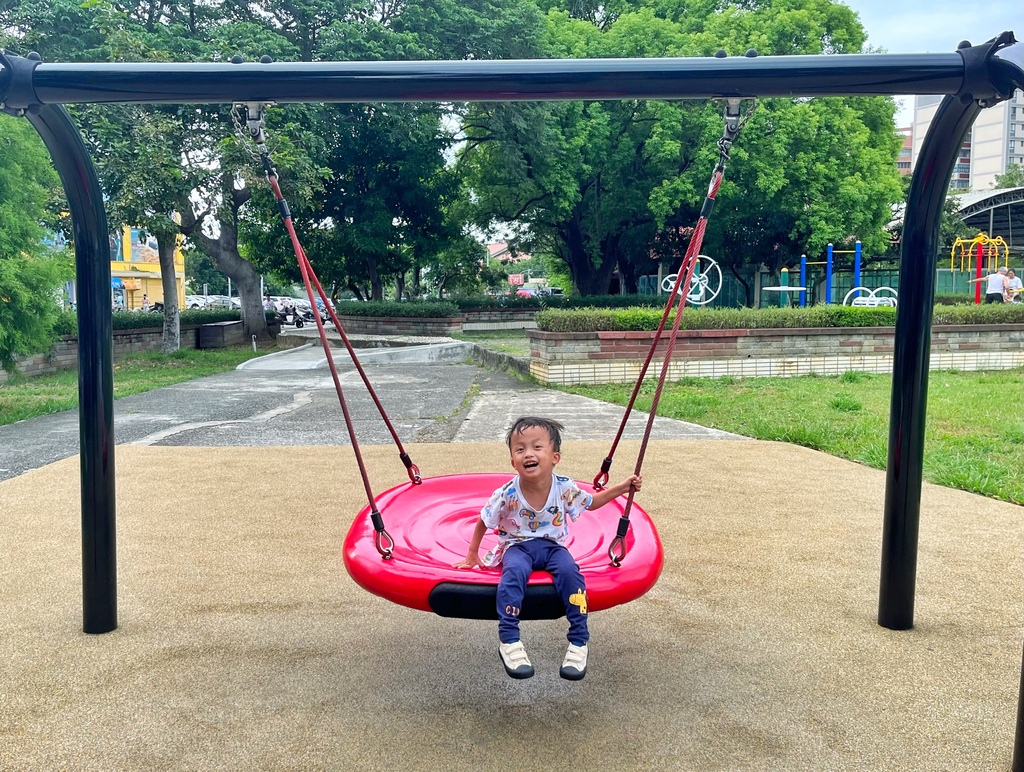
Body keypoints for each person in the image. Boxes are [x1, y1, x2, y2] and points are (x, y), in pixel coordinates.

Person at [454, 416, 642, 681]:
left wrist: (623, 487)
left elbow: (592, 502)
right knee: (514, 574)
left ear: (555, 457)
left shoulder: (564, 487)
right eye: (520, 449)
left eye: (536, 447)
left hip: (553, 547)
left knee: (571, 574)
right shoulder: (506, 493)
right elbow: (484, 520)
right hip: (517, 546)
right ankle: (509, 640)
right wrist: (473, 553)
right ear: (512, 461)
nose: (528, 454)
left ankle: (579, 641)